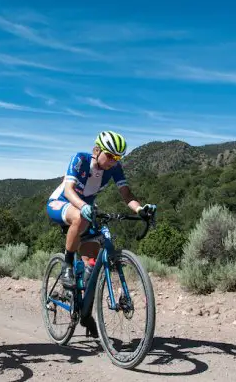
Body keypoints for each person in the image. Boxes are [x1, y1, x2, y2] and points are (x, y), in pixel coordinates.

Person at [45, 131, 156, 337]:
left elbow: (126, 195)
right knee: (80, 217)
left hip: (86, 210)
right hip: (61, 203)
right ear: (97, 150)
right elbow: (69, 190)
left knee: (93, 261)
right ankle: (67, 265)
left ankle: (85, 311)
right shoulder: (81, 159)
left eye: (118, 157)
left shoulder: (114, 169)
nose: (114, 161)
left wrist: (140, 210)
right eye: (111, 156)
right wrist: (82, 206)